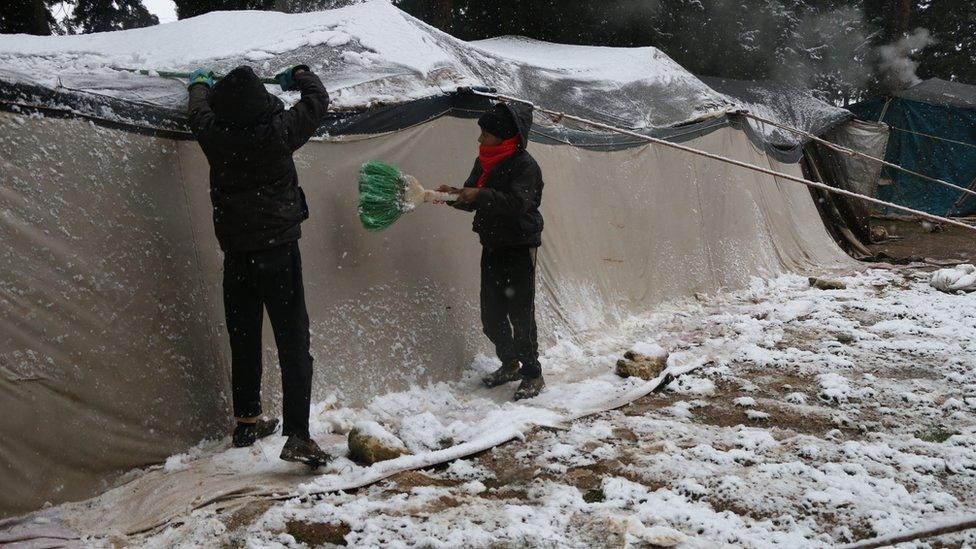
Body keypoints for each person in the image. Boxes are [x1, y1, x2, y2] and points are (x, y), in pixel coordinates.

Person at [186, 64, 331, 465]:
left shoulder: (214, 136)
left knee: (244, 332)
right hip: (279, 252)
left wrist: (199, 84)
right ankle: (298, 435)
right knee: (292, 340)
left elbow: (197, 108)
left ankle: (247, 422)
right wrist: (299, 74)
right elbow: (318, 99)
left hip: (237, 254)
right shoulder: (281, 131)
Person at [438, 102, 546, 400]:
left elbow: (517, 204)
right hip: (493, 244)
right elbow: (474, 198)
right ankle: (509, 362)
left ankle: (532, 372)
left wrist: (479, 194)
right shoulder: (484, 161)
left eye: (485, 134)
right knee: (492, 314)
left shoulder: (525, 166)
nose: (480, 139)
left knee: (520, 313)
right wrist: (452, 196)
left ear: (502, 135)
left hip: (519, 245)